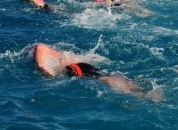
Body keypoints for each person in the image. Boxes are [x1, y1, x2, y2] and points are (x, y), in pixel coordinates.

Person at [33, 43, 162, 101]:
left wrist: (42, 68)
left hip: (76, 68)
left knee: (104, 79)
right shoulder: (61, 54)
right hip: (80, 66)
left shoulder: (42, 49)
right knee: (105, 78)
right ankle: (140, 91)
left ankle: (140, 94)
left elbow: (39, 51)